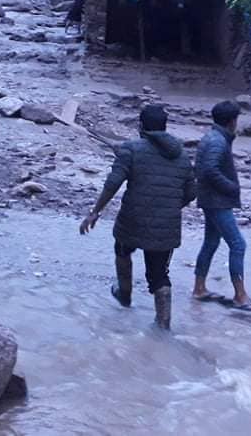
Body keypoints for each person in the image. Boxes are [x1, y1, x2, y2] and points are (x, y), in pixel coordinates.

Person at [79, 105, 196, 331]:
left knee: (123, 251)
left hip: (133, 219)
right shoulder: (181, 154)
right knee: (159, 274)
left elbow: (113, 183)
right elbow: (191, 191)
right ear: (164, 127)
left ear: (141, 127)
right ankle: (163, 326)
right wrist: (171, 205)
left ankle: (124, 295)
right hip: (166, 225)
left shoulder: (131, 149)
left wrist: (95, 212)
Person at [192, 101, 251, 312]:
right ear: (232, 121)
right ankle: (240, 296)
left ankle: (199, 288)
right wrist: (231, 187)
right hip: (217, 201)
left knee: (211, 242)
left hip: (210, 199)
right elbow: (210, 170)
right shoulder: (217, 142)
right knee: (238, 245)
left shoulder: (213, 137)